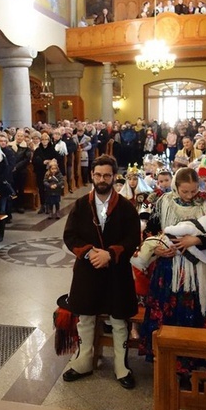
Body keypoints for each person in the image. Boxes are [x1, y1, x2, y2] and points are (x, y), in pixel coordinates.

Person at [61, 155, 141, 389]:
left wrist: (110, 254)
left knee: (118, 319)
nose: (102, 179)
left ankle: (121, 366)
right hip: (88, 269)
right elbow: (70, 235)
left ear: (114, 177)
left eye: (107, 175)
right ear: (92, 176)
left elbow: (133, 238)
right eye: (98, 175)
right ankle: (84, 360)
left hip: (117, 271)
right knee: (85, 316)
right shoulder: (80, 204)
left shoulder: (126, 207)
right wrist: (88, 253)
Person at [139, 167, 206, 366]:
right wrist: (158, 249)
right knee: (167, 312)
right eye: (185, 191)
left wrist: (196, 240)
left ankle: (193, 361)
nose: (190, 196)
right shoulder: (164, 201)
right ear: (176, 187)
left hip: (197, 273)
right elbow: (151, 232)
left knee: (194, 312)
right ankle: (166, 361)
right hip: (168, 269)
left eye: (194, 191)